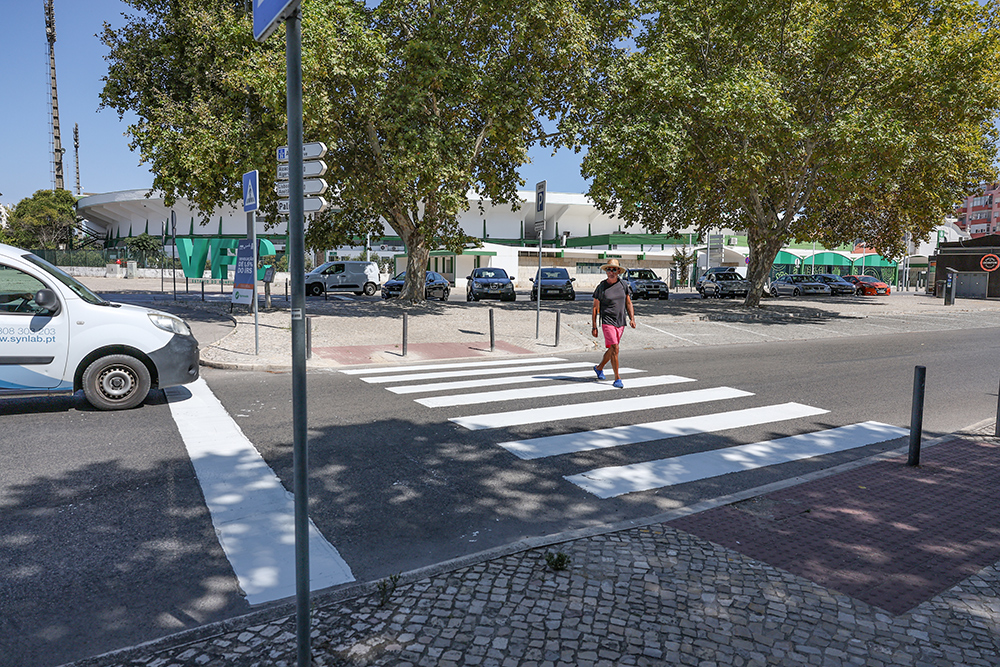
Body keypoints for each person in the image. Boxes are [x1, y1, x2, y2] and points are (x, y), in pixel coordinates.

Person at [591, 258, 636, 388]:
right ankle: (617, 378)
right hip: (607, 321)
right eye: (609, 269)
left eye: (614, 269)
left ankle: (599, 368)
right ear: (606, 271)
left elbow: (628, 303)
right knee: (615, 348)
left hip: (620, 321)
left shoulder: (623, 285)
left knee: (612, 349)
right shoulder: (602, 287)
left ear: (618, 271)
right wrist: (594, 326)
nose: (611, 272)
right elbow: (595, 307)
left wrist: (632, 318)